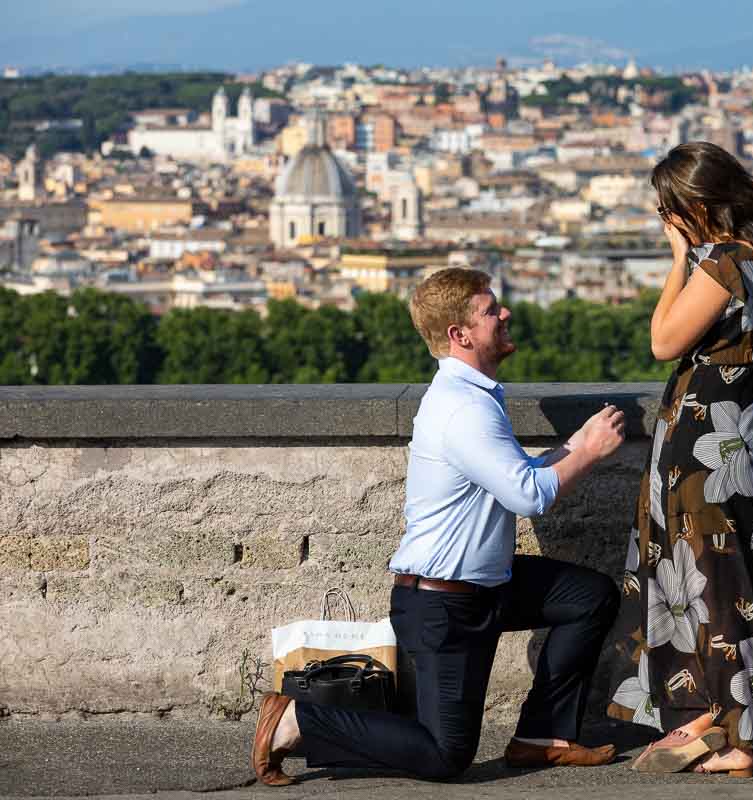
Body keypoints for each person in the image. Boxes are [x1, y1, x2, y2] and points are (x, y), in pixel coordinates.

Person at [252, 268, 626, 785]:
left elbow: (513, 475)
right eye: (490, 309)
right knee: (446, 755)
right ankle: (299, 718)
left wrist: (569, 446)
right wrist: (587, 452)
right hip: (444, 606)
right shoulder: (463, 408)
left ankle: (543, 735)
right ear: (460, 334)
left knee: (588, 596)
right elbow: (528, 496)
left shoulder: (472, 396)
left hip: (483, 588)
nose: (505, 314)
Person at [604, 142, 753, 777]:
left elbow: (663, 341)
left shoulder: (720, 262)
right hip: (749, 436)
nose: (668, 219)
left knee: (710, 582)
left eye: (670, 209)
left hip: (701, 445)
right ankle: (712, 719)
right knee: (737, 575)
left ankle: (736, 734)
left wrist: (678, 261)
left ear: (695, 206)